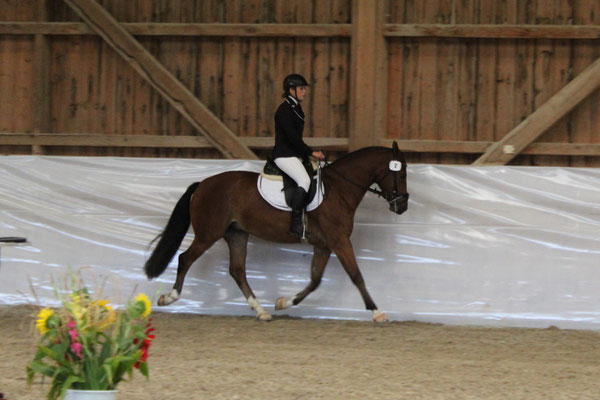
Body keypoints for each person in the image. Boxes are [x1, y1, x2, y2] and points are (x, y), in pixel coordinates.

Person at [272, 73, 325, 236]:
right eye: (301, 89)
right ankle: (295, 223)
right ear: (291, 90)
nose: (304, 92)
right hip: (284, 155)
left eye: (304, 89)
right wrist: (310, 152)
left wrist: (306, 155)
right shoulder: (284, 110)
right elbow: (292, 138)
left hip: (293, 154)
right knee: (304, 180)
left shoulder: (296, 108)